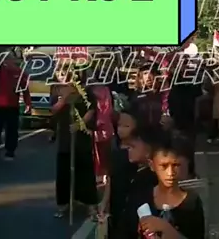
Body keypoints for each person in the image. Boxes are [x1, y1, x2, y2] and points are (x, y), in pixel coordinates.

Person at [127, 131, 206, 239]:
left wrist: (167, 230)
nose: (170, 173)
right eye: (164, 166)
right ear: (152, 165)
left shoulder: (191, 203)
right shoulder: (141, 198)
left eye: (176, 165)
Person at [51, 69, 98, 219]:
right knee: (64, 173)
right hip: (65, 136)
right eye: (60, 73)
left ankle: (90, 204)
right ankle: (63, 204)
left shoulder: (84, 90)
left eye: (66, 72)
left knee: (85, 171)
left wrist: (80, 124)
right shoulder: (56, 90)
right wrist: (64, 99)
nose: (63, 75)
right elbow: (53, 110)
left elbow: (92, 109)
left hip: (82, 136)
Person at [104, 117, 160, 237]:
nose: (129, 150)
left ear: (148, 150)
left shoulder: (149, 180)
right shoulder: (132, 170)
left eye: (133, 147)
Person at [0, 54, 32, 161]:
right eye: (5, 60)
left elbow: (25, 89)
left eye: (10, 60)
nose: (8, 62)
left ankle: (10, 152)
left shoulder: (19, 73)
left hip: (12, 106)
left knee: (11, 130)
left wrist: (28, 104)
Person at [167, 55, 203, 178]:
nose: (182, 65)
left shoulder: (193, 76)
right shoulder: (173, 76)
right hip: (176, 115)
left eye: (184, 62)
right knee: (176, 147)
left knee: (189, 147)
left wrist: (197, 115)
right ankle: (178, 172)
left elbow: (198, 96)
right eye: (180, 62)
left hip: (189, 116)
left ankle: (190, 171)